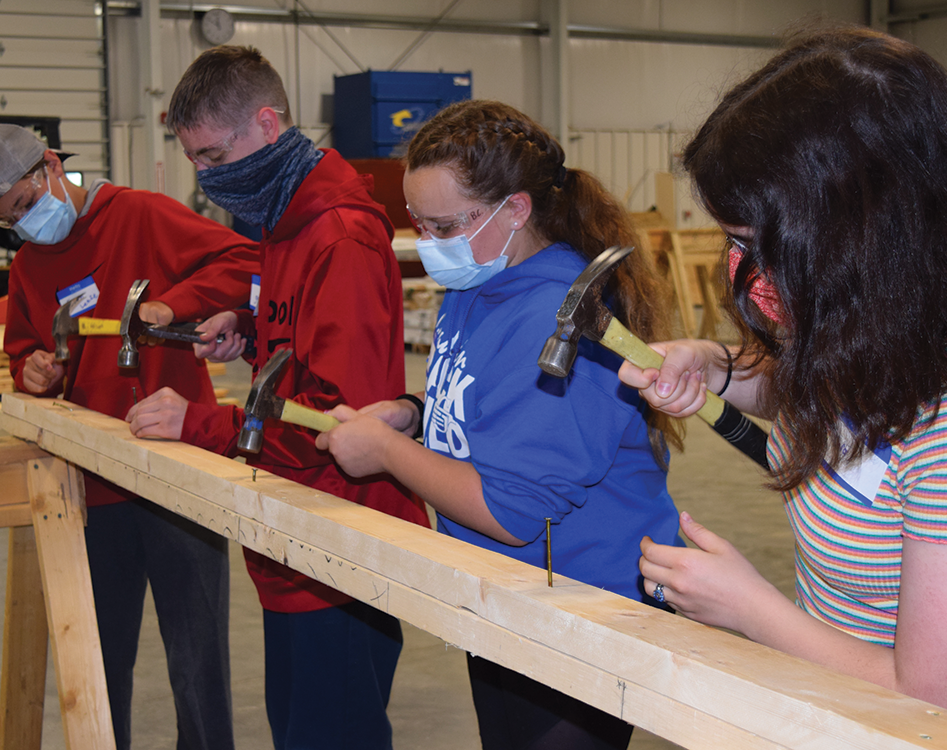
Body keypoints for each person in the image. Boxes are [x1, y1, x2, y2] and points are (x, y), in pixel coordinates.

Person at [315, 99, 684, 750]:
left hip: (583, 607)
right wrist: (411, 414)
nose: (429, 244)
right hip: (506, 592)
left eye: (444, 225)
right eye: (418, 224)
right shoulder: (477, 286)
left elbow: (513, 509)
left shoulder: (564, 314)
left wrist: (385, 453)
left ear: (515, 210)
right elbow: (495, 415)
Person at [620, 25, 947, 709]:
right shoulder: (869, 327)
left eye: (753, 241)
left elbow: (928, 697)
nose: (739, 267)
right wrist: (713, 365)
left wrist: (750, 610)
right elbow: (817, 386)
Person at [124, 46, 430, 750]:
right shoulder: (280, 218)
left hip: (341, 539)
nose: (203, 178)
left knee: (331, 734)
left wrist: (197, 423)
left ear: (267, 124)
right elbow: (301, 337)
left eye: (210, 156)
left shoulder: (340, 237)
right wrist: (252, 326)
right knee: (299, 729)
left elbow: (338, 421)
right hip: (294, 535)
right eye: (192, 159)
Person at [0, 123, 260, 748]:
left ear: (49, 167)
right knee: (96, 663)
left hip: (177, 474)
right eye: (8, 221)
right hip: (90, 486)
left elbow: (244, 263)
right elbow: (25, 354)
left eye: (23, 205)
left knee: (197, 659)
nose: (23, 225)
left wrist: (171, 305)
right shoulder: (26, 269)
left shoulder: (139, 216)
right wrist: (36, 371)